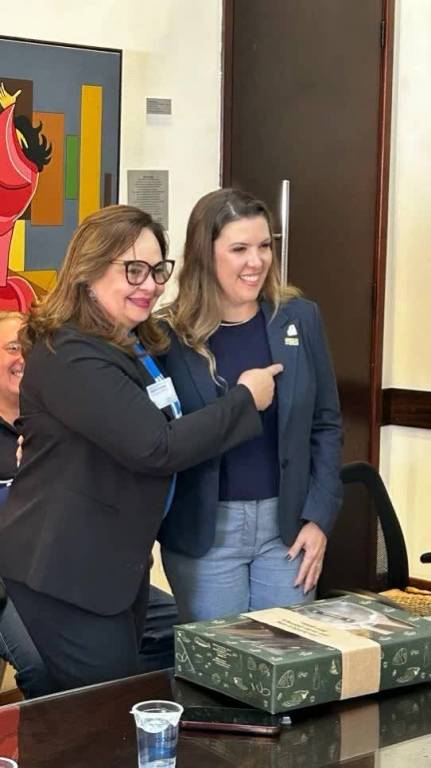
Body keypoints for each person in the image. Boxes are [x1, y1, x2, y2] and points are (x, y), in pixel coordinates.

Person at [0, 204, 281, 695]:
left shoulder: (131, 344)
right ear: (89, 272)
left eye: (156, 270)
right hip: (67, 570)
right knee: (103, 707)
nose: (149, 284)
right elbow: (156, 446)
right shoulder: (72, 351)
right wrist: (245, 400)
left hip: (116, 563)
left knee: (115, 698)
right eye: (133, 270)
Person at [158, 188, 343, 622]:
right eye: (239, 249)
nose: (256, 261)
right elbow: (162, 440)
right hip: (205, 534)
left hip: (288, 529)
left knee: (288, 654)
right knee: (220, 660)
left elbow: (326, 424)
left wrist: (319, 518)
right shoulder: (167, 334)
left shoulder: (300, 317)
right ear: (205, 254)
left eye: (264, 246)